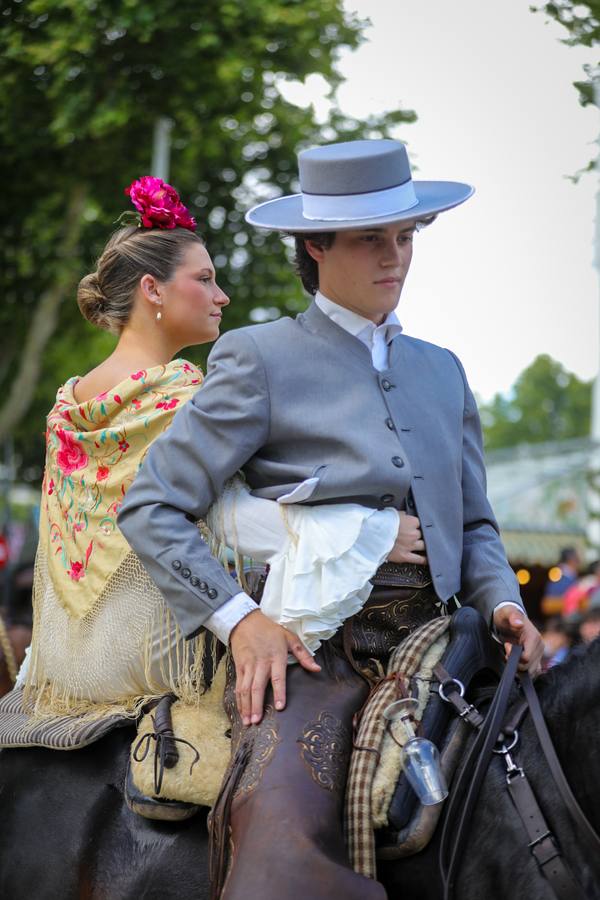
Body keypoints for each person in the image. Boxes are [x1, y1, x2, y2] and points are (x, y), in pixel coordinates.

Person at [118, 140, 544, 899]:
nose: (395, 256)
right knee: (280, 861)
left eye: (406, 236)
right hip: (311, 651)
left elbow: (475, 525)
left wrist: (504, 603)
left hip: (447, 639)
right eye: (371, 238)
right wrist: (241, 622)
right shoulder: (258, 358)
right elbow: (153, 507)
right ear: (315, 246)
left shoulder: (444, 370)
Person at [18, 175, 407, 721]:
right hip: (161, 645)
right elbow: (231, 521)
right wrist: (372, 534)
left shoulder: (67, 406)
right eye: (204, 279)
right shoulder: (182, 394)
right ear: (153, 289)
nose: (222, 296)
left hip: (66, 658)